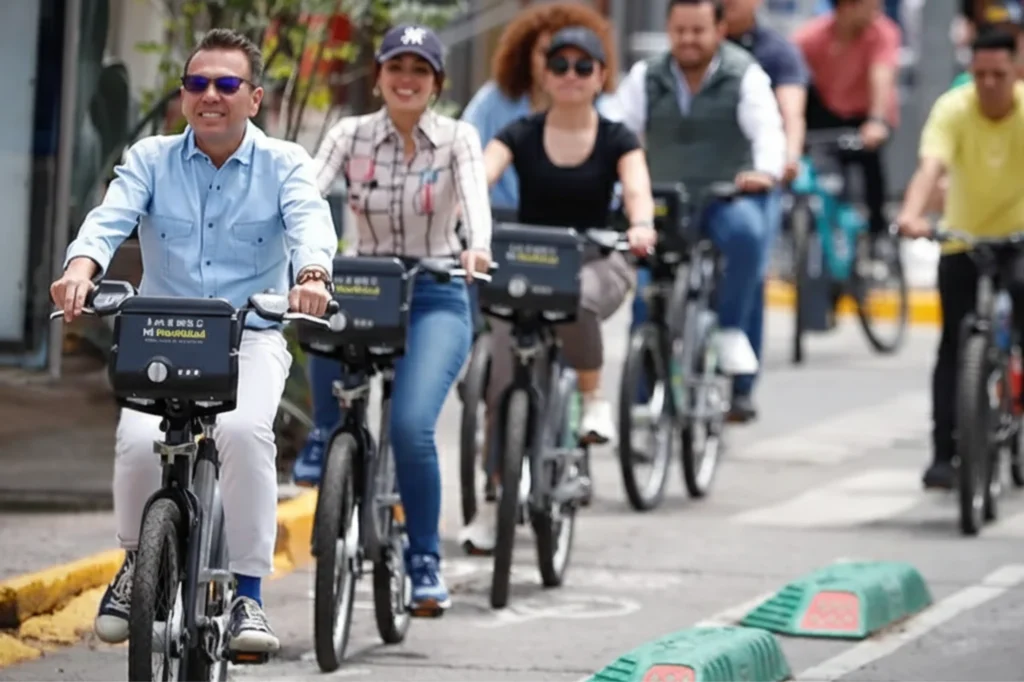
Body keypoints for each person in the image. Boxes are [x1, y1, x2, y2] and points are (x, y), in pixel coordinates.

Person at [49, 29, 338, 652]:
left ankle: (249, 597)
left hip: (250, 335)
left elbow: (311, 220)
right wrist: (81, 270)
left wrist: (311, 275)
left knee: (242, 432)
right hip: (163, 334)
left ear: (253, 98)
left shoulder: (285, 163)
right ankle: (135, 565)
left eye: (227, 84)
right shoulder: (150, 158)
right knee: (135, 441)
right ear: (183, 96)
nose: (212, 95)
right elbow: (109, 218)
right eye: (198, 84)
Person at [311, 24, 492, 613]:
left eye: (419, 70)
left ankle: (423, 560)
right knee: (314, 311)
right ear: (379, 76)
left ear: (436, 82)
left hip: (437, 289)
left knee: (413, 427)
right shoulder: (350, 133)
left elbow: (475, 198)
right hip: (365, 286)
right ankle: (321, 435)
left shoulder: (458, 138)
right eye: (396, 68)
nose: (406, 79)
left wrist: (477, 247)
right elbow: (309, 191)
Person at [458, 26, 657, 554]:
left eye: (583, 66)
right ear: (543, 75)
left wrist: (640, 225)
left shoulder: (619, 138)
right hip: (527, 264)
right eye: (560, 65)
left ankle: (592, 399)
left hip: (597, 259)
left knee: (579, 299)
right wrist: (465, 217)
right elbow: (481, 175)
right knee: (501, 381)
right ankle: (494, 499)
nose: (571, 75)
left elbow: (637, 190)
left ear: (601, 76)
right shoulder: (521, 131)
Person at [615, 0, 786, 421]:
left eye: (698, 31)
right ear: (669, 31)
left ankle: (730, 339)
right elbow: (619, 130)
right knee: (645, 297)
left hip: (723, 197)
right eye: (680, 31)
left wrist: (764, 171)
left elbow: (768, 132)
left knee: (747, 237)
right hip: (663, 203)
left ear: (720, 30)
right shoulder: (645, 76)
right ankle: (642, 397)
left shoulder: (743, 73)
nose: (689, 41)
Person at [895, 28, 1024, 490]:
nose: (989, 83)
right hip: (962, 239)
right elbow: (930, 169)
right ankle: (943, 454)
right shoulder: (953, 109)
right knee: (954, 345)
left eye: (999, 73)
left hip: (1019, 238)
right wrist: (910, 215)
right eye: (980, 73)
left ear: (1016, 70)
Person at [722, 0, 809, 420]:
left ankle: (741, 385)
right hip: (701, 175)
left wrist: (786, 158)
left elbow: (791, 110)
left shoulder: (775, 52)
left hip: (756, 172)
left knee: (750, 260)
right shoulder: (697, 39)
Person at [460, 1, 621, 211]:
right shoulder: (494, 102)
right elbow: (466, 158)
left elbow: (625, 183)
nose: (566, 72)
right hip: (500, 224)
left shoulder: (606, 114)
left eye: (579, 64)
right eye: (549, 56)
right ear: (526, 54)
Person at [792, 0, 901, 243]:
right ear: (847, 7)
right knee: (816, 170)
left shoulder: (882, 32)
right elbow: (789, 74)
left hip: (868, 113)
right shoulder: (811, 37)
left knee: (871, 167)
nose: (878, 8)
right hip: (829, 111)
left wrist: (876, 120)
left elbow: (881, 75)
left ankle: (877, 235)